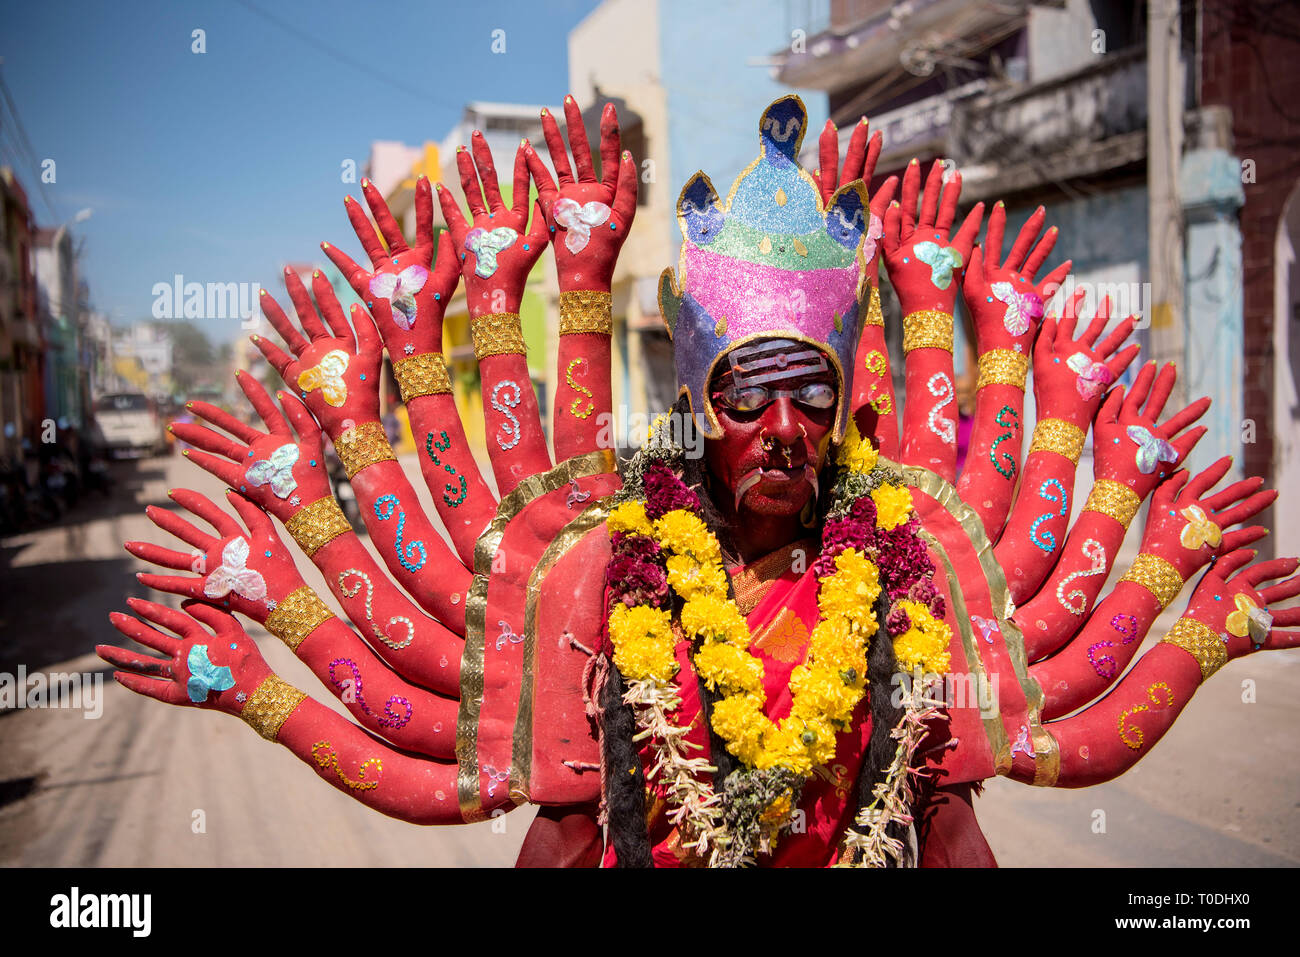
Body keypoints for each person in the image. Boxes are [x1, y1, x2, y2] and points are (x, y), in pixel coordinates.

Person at [100, 95, 1297, 867]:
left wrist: (1202, 621)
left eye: (811, 394)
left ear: (841, 409)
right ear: (697, 405)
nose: (780, 428)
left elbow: (988, 789)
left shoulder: (911, 568)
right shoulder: (596, 572)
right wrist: (256, 672)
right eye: (747, 392)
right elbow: (456, 763)